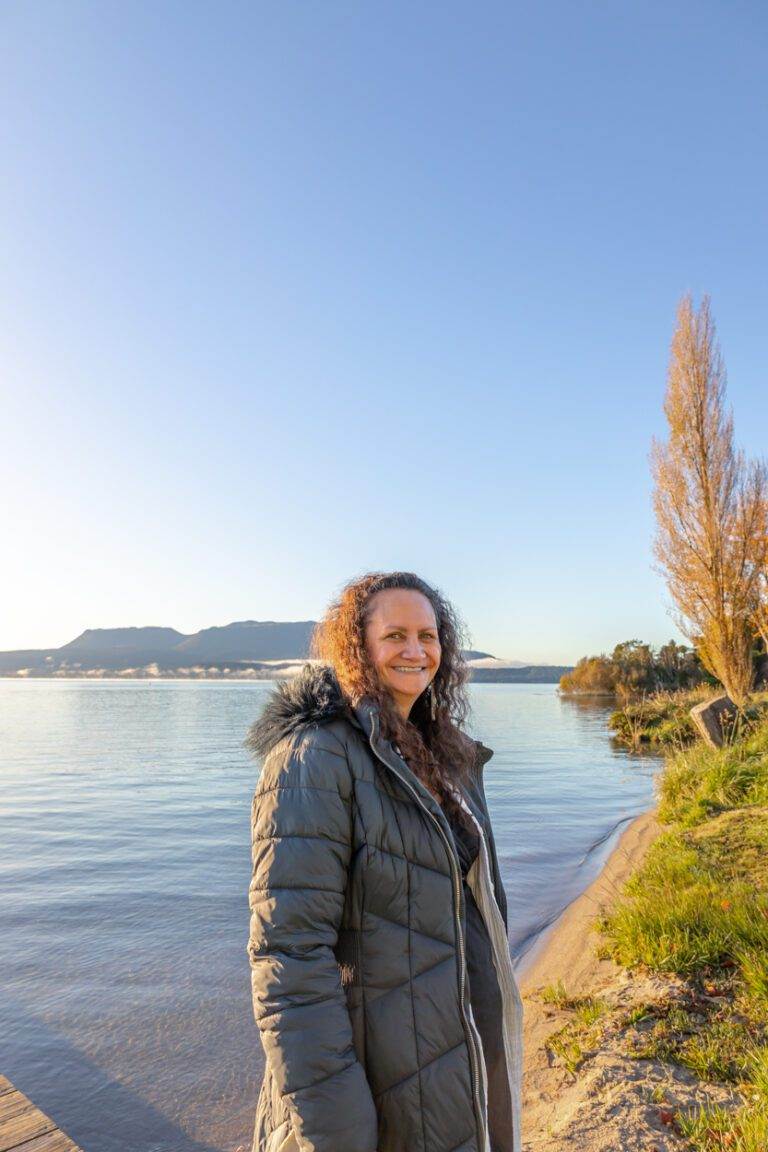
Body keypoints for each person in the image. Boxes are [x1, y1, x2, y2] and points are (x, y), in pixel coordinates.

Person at [245, 571, 523, 1152]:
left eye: (428, 634)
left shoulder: (442, 753)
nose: (415, 650)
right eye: (395, 634)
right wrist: (336, 1128)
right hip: (373, 1087)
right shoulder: (313, 759)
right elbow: (289, 958)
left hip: (450, 1062)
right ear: (358, 647)